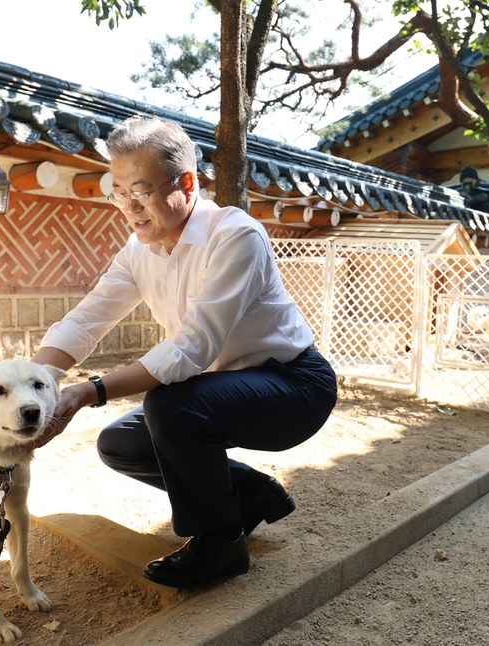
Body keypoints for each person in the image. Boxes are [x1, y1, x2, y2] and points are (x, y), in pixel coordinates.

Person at [31, 114, 337, 588]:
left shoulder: (236, 236)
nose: (130, 208)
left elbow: (191, 349)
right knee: (121, 444)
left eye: (141, 191)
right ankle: (250, 494)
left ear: (187, 183)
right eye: (119, 193)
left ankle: (221, 544)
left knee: (171, 406)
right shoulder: (138, 251)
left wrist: (87, 392)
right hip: (217, 387)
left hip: (293, 386)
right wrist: (24, 387)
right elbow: (87, 319)